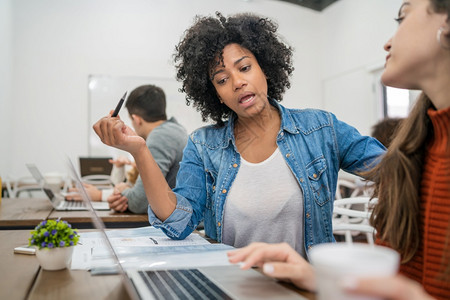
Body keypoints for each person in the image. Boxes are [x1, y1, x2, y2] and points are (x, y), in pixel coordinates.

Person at [93, 12, 385, 257]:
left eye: (245, 67)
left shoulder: (321, 129)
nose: (238, 82)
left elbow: (394, 169)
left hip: (305, 288)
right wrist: (139, 151)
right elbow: (179, 222)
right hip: (233, 285)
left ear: (265, 69)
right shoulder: (204, 145)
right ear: (216, 95)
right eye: (222, 79)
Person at [228, 0, 450, 299]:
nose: (387, 42)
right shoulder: (416, 153)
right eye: (222, 79)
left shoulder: (323, 127)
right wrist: (317, 278)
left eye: (402, 17)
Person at [74, 84, 188, 213]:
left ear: (136, 119)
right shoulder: (176, 129)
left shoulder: (160, 136)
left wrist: (104, 195)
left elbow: (139, 202)